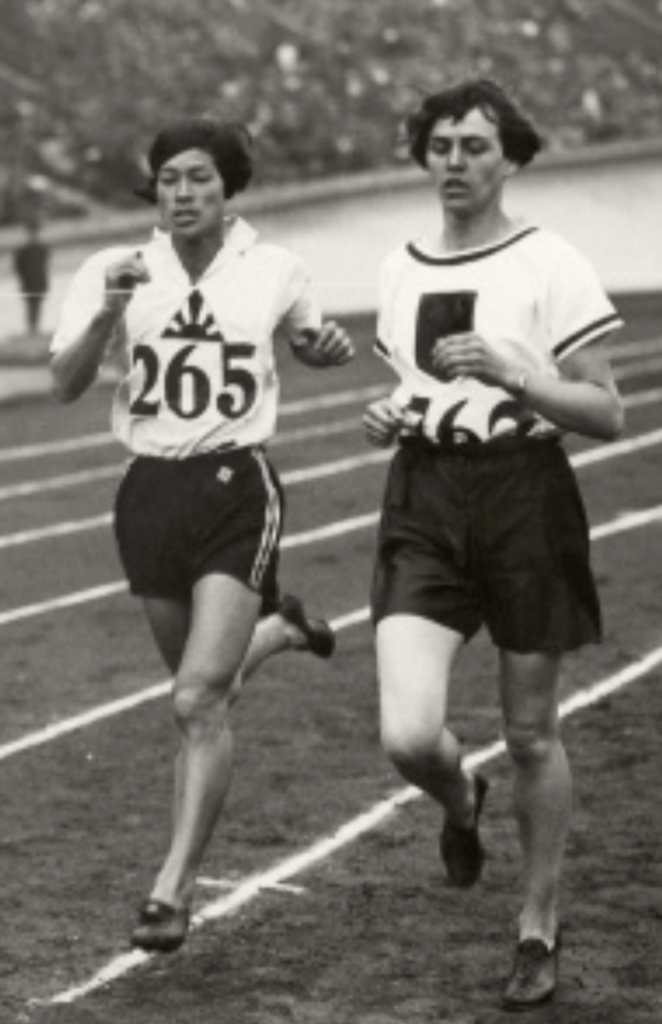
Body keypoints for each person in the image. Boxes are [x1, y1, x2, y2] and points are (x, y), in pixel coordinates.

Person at [50, 116, 355, 954]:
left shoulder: (273, 269)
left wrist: (327, 349)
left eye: (199, 179)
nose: (183, 194)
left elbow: (312, 341)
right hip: (148, 492)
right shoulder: (111, 270)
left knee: (195, 701)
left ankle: (171, 888)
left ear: (229, 189)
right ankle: (283, 627)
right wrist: (106, 314)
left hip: (234, 484)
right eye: (170, 180)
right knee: (203, 692)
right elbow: (68, 383)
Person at [362, 78, 624, 1011]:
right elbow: (416, 388)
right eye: (440, 146)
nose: (455, 163)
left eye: (475, 146)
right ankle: (456, 800)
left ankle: (536, 925)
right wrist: (389, 412)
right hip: (425, 496)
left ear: (509, 157)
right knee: (404, 731)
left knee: (528, 731)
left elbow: (607, 409)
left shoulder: (549, 261)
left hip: (524, 496)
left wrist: (518, 374)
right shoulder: (399, 268)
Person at [13, 217, 50, 336]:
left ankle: (34, 328)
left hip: (38, 281)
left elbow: (44, 267)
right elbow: (18, 269)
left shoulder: (42, 249)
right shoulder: (23, 250)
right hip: (29, 282)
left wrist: (45, 282)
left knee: (37, 305)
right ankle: (32, 329)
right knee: (31, 306)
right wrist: (22, 282)